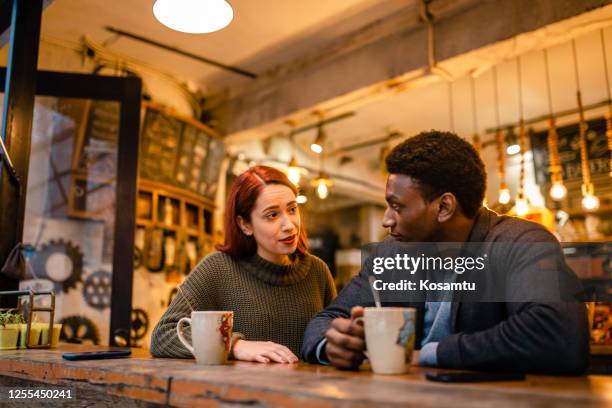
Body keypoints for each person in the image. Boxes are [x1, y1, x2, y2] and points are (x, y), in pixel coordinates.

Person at [302, 130, 589, 374]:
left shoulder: (521, 242)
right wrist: (334, 344)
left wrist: (430, 354)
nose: (386, 220)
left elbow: (558, 336)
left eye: (397, 206)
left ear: (444, 207)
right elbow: (321, 322)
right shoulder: (391, 254)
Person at [151, 165, 336, 363]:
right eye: (272, 215)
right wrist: (234, 345)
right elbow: (163, 335)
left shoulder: (318, 271)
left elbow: (334, 338)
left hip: (307, 391)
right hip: (240, 391)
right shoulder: (218, 268)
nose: (289, 225)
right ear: (245, 225)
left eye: (292, 209)